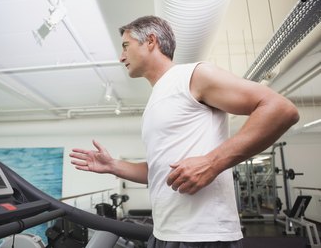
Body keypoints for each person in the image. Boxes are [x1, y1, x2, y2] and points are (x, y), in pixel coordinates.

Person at [70, 15, 299, 248]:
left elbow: (281, 110)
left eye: (126, 46)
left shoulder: (192, 76)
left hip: (203, 236)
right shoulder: (156, 99)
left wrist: (212, 162)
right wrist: (113, 166)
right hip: (165, 232)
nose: (121, 57)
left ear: (150, 41)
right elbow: (159, 170)